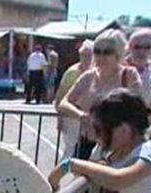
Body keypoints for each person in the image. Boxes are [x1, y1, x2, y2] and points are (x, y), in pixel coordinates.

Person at [59, 29, 143, 161]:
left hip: (118, 144)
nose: (101, 56)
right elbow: (63, 103)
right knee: (80, 179)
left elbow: (137, 108)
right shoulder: (88, 77)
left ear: (119, 53)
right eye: (97, 51)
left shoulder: (129, 75)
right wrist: (81, 116)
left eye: (107, 52)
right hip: (88, 141)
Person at [55, 40, 95, 160]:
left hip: (90, 119)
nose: (86, 58)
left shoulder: (97, 72)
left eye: (89, 55)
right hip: (71, 117)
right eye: (83, 54)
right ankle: (60, 175)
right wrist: (59, 118)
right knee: (71, 150)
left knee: (86, 151)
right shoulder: (72, 72)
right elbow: (60, 96)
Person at [125, 28, 151, 106]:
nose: (142, 51)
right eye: (137, 47)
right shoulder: (117, 68)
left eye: (148, 47)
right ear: (129, 47)